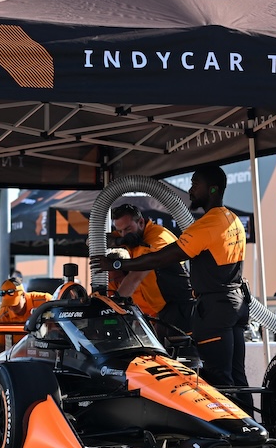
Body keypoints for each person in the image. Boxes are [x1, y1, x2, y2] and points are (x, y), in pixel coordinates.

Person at [94, 166, 252, 412]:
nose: (190, 189)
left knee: (218, 380)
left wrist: (116, 263)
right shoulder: (231, 220)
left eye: (195, 184)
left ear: (212, 189)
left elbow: (159, 259)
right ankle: (252, 434)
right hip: (235, 304)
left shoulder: (206, 225)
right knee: (236, 379)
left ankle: (232, 441)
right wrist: (117, 241)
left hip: (212, 310)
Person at [109, 203, 195, 337]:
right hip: (162, 310)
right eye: (120, 231)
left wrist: (111, 307)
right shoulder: (133, 237)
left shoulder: (157, 239)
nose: (124, 234)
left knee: (185, 355)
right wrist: (120, 241)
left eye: (127, 229)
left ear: (141, 222)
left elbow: (135, 277)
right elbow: (91, 241)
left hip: (181, 308)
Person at [0, 277, 52, 354]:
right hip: (18, 357)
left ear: (23, 295)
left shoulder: (45, 301)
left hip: (46, 353)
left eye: (14, 303)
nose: (11, 307)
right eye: (8, 304)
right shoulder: (1, 316)